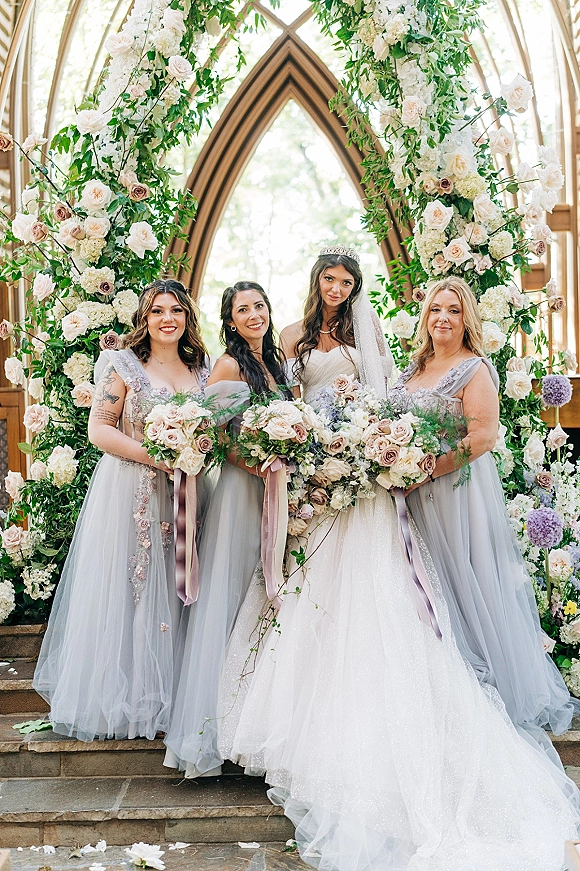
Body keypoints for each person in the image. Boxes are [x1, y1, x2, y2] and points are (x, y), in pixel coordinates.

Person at [218, 248, 580, 871]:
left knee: (380, 596)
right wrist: (307, 449)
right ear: (316, 283)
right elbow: (283, 399)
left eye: (348, 279)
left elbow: (385, 405)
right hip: (317, 477)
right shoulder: (292, 338)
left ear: (357, 285)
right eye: (329, 278)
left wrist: (376, 452)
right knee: (311, 597)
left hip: (368, 475)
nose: (339, 287)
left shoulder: (377, 340)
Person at [391, 275, 578, 751]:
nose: (443, 319)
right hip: (408, 498)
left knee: (462, 584)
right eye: (436, 309)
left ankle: (484, 693)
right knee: (421, 590)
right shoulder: (413, 367)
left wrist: (425, 470)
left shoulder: (474, 369)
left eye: (453, 310)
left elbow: (483, 437)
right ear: (425, 316)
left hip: (452, 493)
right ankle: (433, 693)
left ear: (466, 318)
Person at [33, 278, 210, 741]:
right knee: (133, 583)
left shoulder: (205, 370)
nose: (167, 318)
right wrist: (158, 454)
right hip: (131, 487)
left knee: (177, 584)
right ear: (144, 319)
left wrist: (192, 454)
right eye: (156, 311)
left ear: (188, 317)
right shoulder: (123, 366)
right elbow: (99, 429)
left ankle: (174, 696)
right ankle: (127, 695)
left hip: (187, 491)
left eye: (176, 310)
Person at [163, 280, 290, 777]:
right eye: (243, 309)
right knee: (231, 596)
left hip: (273, 491)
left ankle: (250, 725)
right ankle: (208, 733)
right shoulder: (229, 365)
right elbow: (212, 437)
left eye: (260, 305)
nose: (254, 314)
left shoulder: (274, 365)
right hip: (242, 491)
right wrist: (256, 463)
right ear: (230, 319)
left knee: (259, 601)